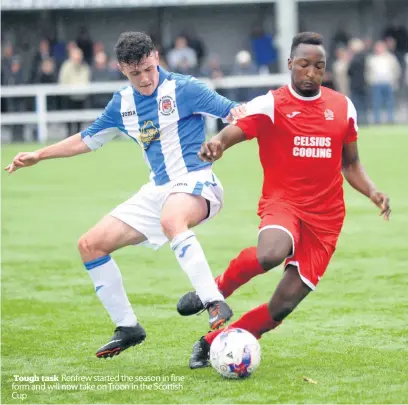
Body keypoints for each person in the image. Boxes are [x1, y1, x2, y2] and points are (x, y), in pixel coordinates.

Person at [4, 32, 246, 359]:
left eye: (148, 68)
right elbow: (87, 139)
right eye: (136, 73)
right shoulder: (123, 103)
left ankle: (213, 300)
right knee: (90, 245)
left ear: (156, 57)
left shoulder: (185, 88)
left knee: (172, 219)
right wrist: (39, 155)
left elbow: (234, 113)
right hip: (158, 189)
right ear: (121, 69)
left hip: (196, 179)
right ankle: (128, 327)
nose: (145, 79)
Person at [175, 32, 391, 369]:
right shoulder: (272, 103)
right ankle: (213, 292)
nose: (310, 72)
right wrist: (217, 143)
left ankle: (211, 342)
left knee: (282, 306)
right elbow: (234, 131)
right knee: (271, 253)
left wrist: (373, 191)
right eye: (303, 64)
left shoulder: (342, 107)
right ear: (290, 63)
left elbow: (350, 163)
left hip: (327, 219)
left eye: (318, 66)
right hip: (284, 202)